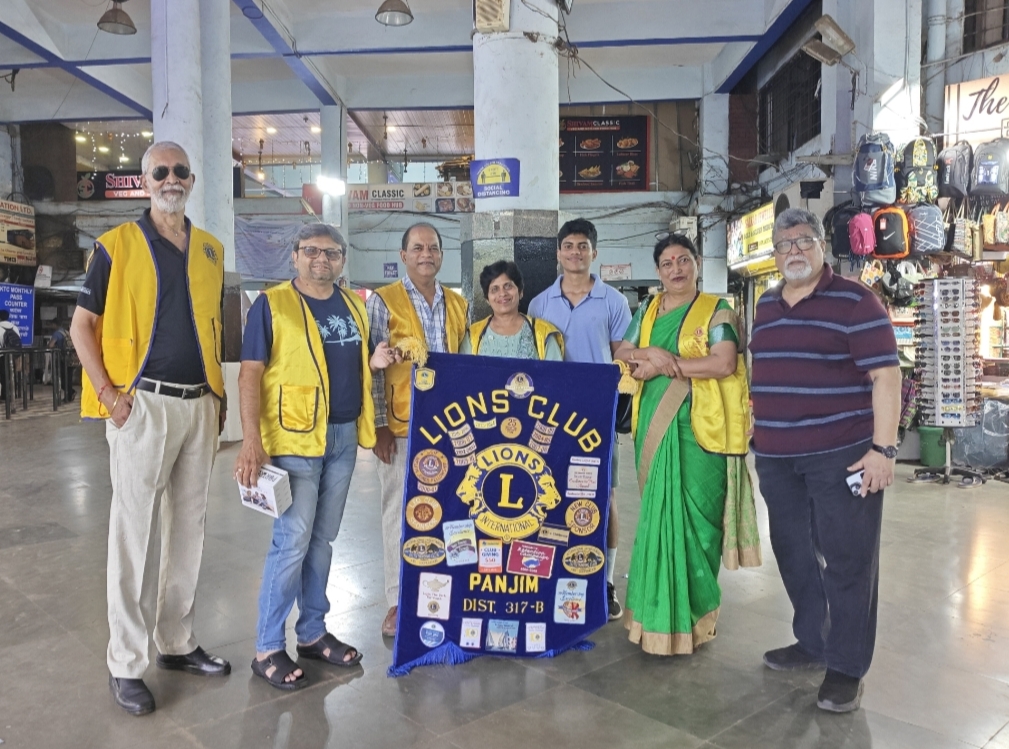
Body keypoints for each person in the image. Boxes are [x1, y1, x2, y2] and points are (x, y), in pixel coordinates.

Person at [70, 141, 230, 717]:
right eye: (159, 171)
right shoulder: (114, 247)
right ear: (144, 181)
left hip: (198, 406)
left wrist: (219, 399)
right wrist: (111, 399)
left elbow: (211, 328)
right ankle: (125, 662)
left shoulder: (209, 249)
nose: (170, 179)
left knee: (189, 530)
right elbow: (81, 327)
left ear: (191, 178)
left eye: (179, 171)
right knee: (132, 535)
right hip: (143, 407)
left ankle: (177, 642)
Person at [235, 224, 400, 690]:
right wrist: (252, 440)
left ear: (342, 260)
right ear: (294, 256)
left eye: (331, 253)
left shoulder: (354, 306)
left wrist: (375, 364)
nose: (321, 260)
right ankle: (267, 647)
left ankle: (311, 633)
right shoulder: (270, 305)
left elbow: (348, 363)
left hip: (344, 436)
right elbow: (251, 374)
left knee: (322, 541)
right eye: (311, 251)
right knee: (292, 540)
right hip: (294, 440)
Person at [750, 208, 900, 713]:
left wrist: (883, 449)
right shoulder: (767, 306)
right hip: (777, 459)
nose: (793, 250)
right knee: (793, 554)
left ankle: (846, 667)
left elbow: (886, 377)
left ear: (821, 247)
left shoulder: (856, 301)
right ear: (774, 254)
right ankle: (812, 641)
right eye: (784, 244)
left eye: (803, 241)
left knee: (848, 560)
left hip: (842, 456)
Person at [613, 233, 759, 655]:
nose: (675, 269)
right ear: (658, 271)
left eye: (683, 260)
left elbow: (724, 362)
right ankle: (654, 620)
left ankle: (694, 619)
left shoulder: (718, 311)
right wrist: (647, 352)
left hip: (703, 432)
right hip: (655, 429)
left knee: (698, 524)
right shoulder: (647, 308)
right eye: (667, 263)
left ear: (697, 264)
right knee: (659, 519)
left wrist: (666, 364)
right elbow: (623, 350)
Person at [367, 222, 469, 637]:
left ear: (442, 255)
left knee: (451, 510)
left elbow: (466, 369)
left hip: (452, 427)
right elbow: (371, 365)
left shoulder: (459, 304)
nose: (426, 254)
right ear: (404, 255)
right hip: (402, 425)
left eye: (433, 248)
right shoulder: (383, 300)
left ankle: (448, 592)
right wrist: (377, 425)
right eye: (417, 248)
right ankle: (398, 600)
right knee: (399, 511)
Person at [527, 218, 630, 620]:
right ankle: (557, 575)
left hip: (597, 414)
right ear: (558, 252)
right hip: (549, 417)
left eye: (582, 246)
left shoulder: (614, 302)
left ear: (594, 252)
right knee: (550, 492)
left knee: (605, 495)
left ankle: (604, 581)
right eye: (568, 245)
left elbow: (623, 357)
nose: (575, 252)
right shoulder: (539, 303)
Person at [461, 260, 564, 360]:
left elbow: (555, 376)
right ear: (487, 299)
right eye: (495, 289)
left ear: (520, 292)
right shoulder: (473, 336)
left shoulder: (542, 333)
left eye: (508, 286)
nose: (502, 293)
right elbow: (464, 374)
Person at [48, 324, 76, 402]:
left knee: (61, 378)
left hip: (62, 359)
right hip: (71, 359)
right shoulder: (66, 332)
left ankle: (70, 393)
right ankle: (69, 396)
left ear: (55, 325)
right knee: (68, 378)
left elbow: (51, 345)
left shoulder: (57, 333)